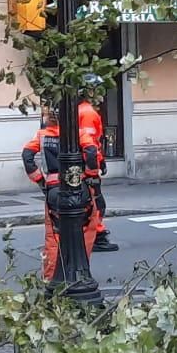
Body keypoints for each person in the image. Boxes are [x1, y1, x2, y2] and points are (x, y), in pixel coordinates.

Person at [21, 109, 67, 278]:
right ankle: (75, 273)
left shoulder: (42, 135)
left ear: (47, 118)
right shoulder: (73, 134)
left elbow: (27, 156)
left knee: (53, 235)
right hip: (74, 187)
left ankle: (51, 276)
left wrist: (39, 179)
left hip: (53, 186)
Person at [75, 93, 118, 252]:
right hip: (86, 167)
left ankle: (84, 236)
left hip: (75, 167)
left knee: (84, 204)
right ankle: (97, 237)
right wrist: (96, 166)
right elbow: (91, 146)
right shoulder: (87, 112)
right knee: (97, 204)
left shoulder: (75, 111)